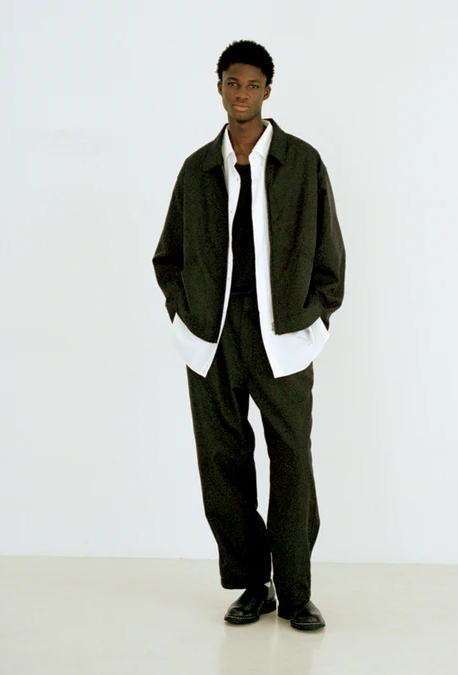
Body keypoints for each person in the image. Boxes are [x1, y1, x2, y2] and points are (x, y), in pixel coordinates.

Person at [152, 40, 345, 631]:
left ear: (267, 91)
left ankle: (296, 591)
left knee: (292, 462)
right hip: (212, 339)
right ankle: (252, 586)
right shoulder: (197, 169)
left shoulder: (302, 163)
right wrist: (185, 317)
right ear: (219, 87)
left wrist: (315, 318)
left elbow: (330, 256)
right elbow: (168, 257)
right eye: (233, 83)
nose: (242, 94)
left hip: (282, 336)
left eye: (253, 85)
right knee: (223, 463)